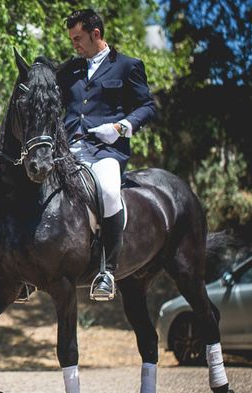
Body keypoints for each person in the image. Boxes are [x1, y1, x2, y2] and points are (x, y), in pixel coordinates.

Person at [59, 8, 156, 301]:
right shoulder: (69, 70)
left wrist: (121, 127)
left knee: (110, 193)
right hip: (68, 148)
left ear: (96, 34)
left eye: (78, 38)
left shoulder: (127, 66)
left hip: (105, 149)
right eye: (72, 39)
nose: (74, 45)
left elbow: (148, 106)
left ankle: (107, 270)